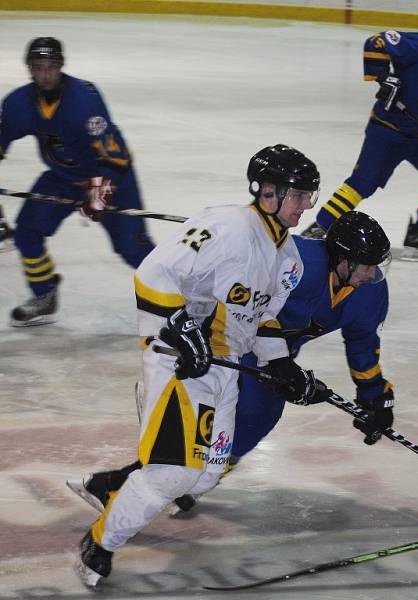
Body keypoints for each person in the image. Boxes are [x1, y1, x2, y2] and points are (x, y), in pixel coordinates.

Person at [75, 144, 328, 587]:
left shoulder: (289, 259)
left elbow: (260, 317)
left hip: (224, 369)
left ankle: (110, 488)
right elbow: (152, 275)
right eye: (300, 194)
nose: (308, 204)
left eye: (309, 195)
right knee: (175, 472)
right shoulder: (226, 228)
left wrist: (281, 365)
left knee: (207, 475)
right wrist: (179, 330)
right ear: (269, 191)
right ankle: (100, 543)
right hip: (179, 363)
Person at [68, 211, 396, 513]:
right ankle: (121, 487)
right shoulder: (296, 262)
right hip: (224, 334)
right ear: (341, 260)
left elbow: (363, 345)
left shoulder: (369, 292)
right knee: (210, 415)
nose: (372, 273)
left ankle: (184, 480)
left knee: (257, 416)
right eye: (366, 264)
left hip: (272, 354)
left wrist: (376, 397)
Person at [300, 7, 418, 262]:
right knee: (363, 183)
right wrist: (385, 79)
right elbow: (376, 42)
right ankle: (321, 227)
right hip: (387, 131)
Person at [0, 37, 155, 326]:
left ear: (61, 66)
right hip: (61, 178)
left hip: (112, 177)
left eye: (51, 66)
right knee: (26, 234)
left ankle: (180, 298)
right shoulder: (18, 103)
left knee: (133, 249)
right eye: (39, 67)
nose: (45, 74)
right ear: (29, 69)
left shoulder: (83, 100)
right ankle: (45, 294)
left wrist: (99, 194)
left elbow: (115, 156)